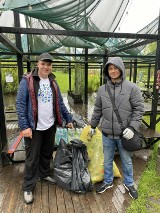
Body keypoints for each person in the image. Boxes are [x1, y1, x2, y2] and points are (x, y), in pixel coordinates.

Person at [16, 52, 73, 204]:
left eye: (48, 64)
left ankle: (44, 174)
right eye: (43, 64)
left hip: (50, 125)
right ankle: (28, 187)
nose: (46, 67)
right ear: (38, 63)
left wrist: (68, 118)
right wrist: (24, 126)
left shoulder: (53, 82)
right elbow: (20, 105)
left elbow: (60, 103)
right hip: (34, 128)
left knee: (47, 153)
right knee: (32, 158)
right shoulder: (27, 80)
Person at [89, 57, 144, 199]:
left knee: (126, 160)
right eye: (110, 68)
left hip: (124, 135)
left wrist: (132, 127)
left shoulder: (132, 88)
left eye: (115, 68)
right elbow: (97, 109)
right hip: (107, 133)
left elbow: (139, 109)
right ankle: (108, 181)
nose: (113, 71)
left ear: (121, 69)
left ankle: (129, 183)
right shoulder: (102, 89)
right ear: (107, 71)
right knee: (107, 159)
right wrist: (93, 125)